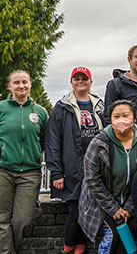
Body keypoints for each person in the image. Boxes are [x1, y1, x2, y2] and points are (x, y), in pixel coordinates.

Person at [45, 66, 105, 254]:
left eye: (84, 78)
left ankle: (79, 250)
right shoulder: (62, 107)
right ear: (71, 82)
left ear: (90, 81)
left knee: (88, 213)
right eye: (77, 79)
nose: (81, 82)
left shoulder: (100, 106)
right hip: (71, 170)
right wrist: (56, 172)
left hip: (95, 169)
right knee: (75, 212)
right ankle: (67, 249)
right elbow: (52, 141)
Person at [78, 100, 137, 253]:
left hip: (131, 204)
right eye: (116, 116)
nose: (121, 120)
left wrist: (128, 208)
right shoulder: (99, 143)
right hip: (102, 204)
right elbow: (92, 179)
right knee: (112, 235)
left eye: (125, 115)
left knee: (131, 237)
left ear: (134, 118)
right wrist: (114, 208)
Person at [0, 71, 48, 253]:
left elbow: (45, 141)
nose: (21, 86)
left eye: (24, 82)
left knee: (22, 221)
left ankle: (13, 245)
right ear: (9, 86)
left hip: (30, 172)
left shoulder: (40, 112)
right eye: (16, 83)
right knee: (1, 219)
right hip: (3, 170)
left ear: (30, 84)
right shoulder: (1, 108)